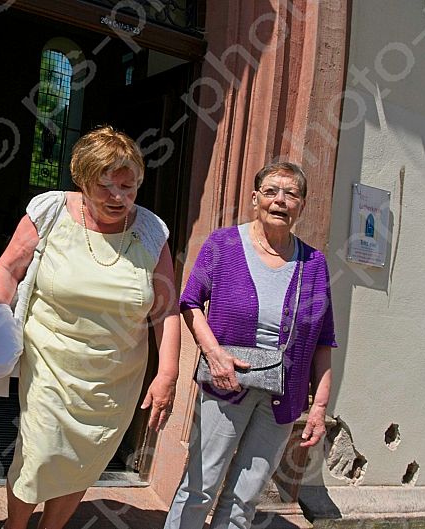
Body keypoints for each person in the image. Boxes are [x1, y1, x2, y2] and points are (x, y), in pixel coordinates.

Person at [0, 126, 181, 529]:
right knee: (39, 451)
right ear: (82, 179)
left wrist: (167, 374)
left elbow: (166, 310)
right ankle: (15, 525)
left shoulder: (150, 231)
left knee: (86, 456)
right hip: (51, 362)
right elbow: (8, 268)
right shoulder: (50, 211)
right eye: (106, 186)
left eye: (129, 187)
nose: (118, 197)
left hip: (116, 375)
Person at [164, 161, 337, 529]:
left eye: (292, 194)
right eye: (272, 191)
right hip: (226, 383)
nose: (281, 200)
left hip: (284, 395)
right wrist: (214, 355)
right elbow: (190, 301)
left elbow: (324, 340)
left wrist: (319, 407)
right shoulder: (224, 244)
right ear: (255, 198)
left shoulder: (315, 264)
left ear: (302, 205)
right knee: (201, 486)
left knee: (246, 495)